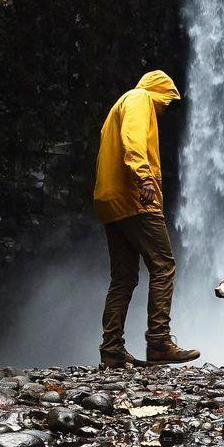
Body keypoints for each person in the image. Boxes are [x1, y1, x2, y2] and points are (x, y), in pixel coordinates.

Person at [93, 70, 200, 366]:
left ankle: (111, 348)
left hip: (110, 202)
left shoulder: (119, 105)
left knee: (124, 277)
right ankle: (159, 342)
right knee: (163, 265)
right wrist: (145, 179)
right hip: (135, 199)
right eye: (167, 103)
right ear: (159, 92)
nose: (166, 110)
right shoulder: (139, 99)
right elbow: (133, 140)